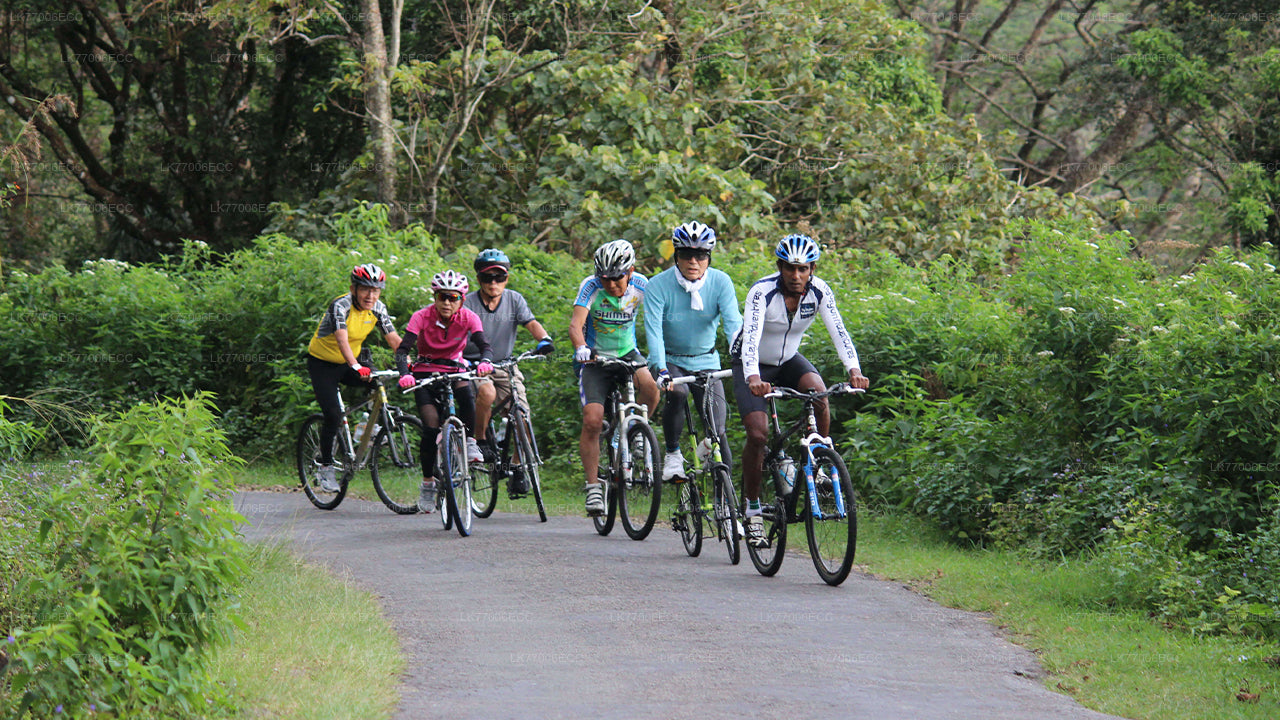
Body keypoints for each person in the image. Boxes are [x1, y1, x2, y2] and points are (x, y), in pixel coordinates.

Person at [731, 233, 870, 548]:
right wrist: (753, 377)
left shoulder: (820, 292)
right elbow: (750, 338)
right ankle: (751, 509)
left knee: (819, 393)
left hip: (788, 359)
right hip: (750, 363)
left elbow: (840, 331)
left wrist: (855, 370)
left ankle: (820, 461)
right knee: (758, 435)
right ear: (780, 267)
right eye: (790, 268)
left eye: (803, 269)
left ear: (812, 268)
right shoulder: (761, 292)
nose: (797, 276)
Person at [644, 221, 741, 481]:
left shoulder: (721, 282)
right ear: (676, 257)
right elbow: (653, 332)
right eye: (686, 254)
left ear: (708, 258)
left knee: (718, 433)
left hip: (707, 360)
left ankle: (728, 511)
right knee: (678, 392)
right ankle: (673, 454)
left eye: (700, 255)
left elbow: (734, 326)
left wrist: (743, 357)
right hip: (670, 360)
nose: (693, 261)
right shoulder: (657, 285)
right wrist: (661, 369)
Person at [569, 239, 659, 516]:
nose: (610, 284)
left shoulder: (644, 285)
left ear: (630, 271)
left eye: (617, 278)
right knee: (593, 420)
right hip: (595, 358)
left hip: (627, 352)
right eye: (605, 278)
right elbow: (575, 325)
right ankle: (594, 486)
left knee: (652, 390)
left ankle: (632, 432)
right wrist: (582, 348)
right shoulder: (590, 286)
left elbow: (658, 321)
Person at [395, 270, 493, 513]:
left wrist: (485, 362)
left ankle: (470, 442)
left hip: (454, 369)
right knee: (430, 428)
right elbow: (402, 350)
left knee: (467, 395)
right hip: (424, 372)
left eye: (452, 297)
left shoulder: (469, 317)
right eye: (441, 297)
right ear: (434, 297)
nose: (447, 303)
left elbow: (485, 346)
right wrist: (405, 373)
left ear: (461, 299)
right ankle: (428, 483)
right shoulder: (421, 317)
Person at [462, 248, 554, 497]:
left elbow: (531, 323)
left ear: (507, 278)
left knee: (522, 414)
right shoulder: (467, 303)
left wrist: (544, 339)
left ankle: (516, 466)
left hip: (505, 365)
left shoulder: (514, 300)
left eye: (499, 277)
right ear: (478, 279)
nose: (493, 283)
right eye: (487, 278)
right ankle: (481, 442)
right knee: (487, 392)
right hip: (474, 365)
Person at [307, 264, 402, 493]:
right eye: (365, 289)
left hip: (353, 360)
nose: (371, 295)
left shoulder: (378, 308)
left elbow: (394, 339)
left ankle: (366, 424)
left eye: (376, 290)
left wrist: (410, 363)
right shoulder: (340, 305)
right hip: (324, 364)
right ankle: (326, 466)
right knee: (333, 415)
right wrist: (356, 366)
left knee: (378, 382)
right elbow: (342, 340)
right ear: (353, 288)